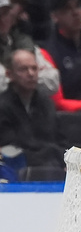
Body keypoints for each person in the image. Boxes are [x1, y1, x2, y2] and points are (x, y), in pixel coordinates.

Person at [0, 49, 64, 179]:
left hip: (50, 164)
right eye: (23, 69)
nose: (31, 74)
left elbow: (57, 138)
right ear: (9, 74)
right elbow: (12, 146)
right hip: (17, 168)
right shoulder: (2, 105)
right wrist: (49, 151)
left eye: (34, 69)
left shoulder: (46, 103)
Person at [0, 0, 60, 96]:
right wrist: (29, 79)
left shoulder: (23, 42)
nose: (1, 19)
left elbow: (53, 80)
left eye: (5, 13)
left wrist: (17, 78)